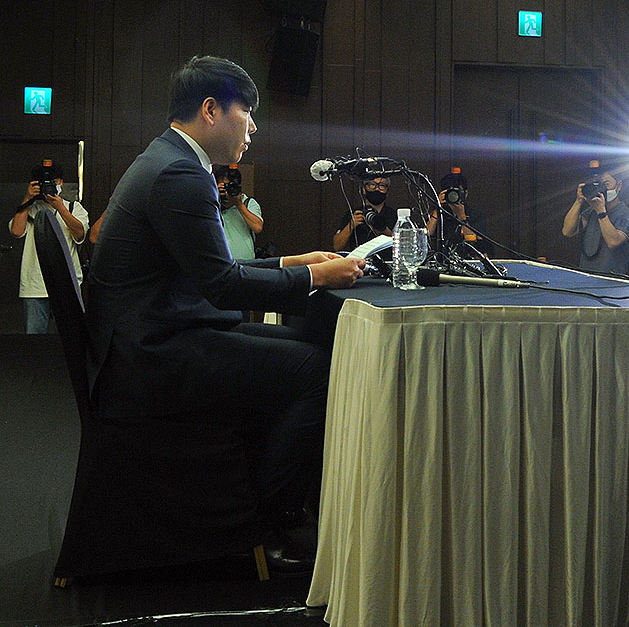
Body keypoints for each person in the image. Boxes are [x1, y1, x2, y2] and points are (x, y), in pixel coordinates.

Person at [87, 56, 366, 572]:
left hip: (153, 335)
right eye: (248, 113)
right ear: (211, 110)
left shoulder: (169, 159)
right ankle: (270, 518)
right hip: (151, 356)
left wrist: (292, 262)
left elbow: (211, 268)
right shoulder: (180, 173)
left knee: (312, 352)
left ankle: (275, 497)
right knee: (324, 370)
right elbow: (221, 285)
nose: (254, 127)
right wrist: (318, 278)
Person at [8, 160, 90, 334]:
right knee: (34, 339)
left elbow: (80, 234)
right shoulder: (29, 209)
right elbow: (16, 231)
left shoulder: (74, 207)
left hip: (67, 284)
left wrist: (60, 207)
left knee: (72, 336)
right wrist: (27, 199)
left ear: (60, 182)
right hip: (35, 286)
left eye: (52, 181)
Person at [561, 166, 629, 274]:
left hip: (612, 281)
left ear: (619, 186)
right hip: (586, 276)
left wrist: (601, 212)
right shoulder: (591, 211)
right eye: (600, 185)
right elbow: (567, 231)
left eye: (606, 184)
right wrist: (578, 201)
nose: (603, 189)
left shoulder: (626, 213)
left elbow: (613, 242)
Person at [425, 167, 492, 257]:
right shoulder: (437, 215)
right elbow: (425, 237)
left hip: (468, 261)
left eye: (456, 191)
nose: (453, 195)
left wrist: (462, 217)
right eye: (449, 192)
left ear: (465, 193)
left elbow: (479, 246)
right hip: (443, 261)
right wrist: (438, 209)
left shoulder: (477, 215)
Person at [332, 175, 397, 251]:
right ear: (363, 189)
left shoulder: (395, 216)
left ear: (387, 190)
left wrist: (383, 230)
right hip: (358, 260)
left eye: (382, 185)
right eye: (372, 185)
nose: (377, 189)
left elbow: (403, 245)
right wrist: (351, 225)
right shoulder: (353, 214)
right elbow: (337, 247)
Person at [214, 163, 262, 260]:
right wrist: (214, 195)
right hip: (220, 262)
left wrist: (239, 204)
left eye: (231, 186)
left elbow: (258, 227)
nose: (228, 190)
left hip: (246, 262)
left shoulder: (248, 203)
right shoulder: (211, 203)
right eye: (224, 186)